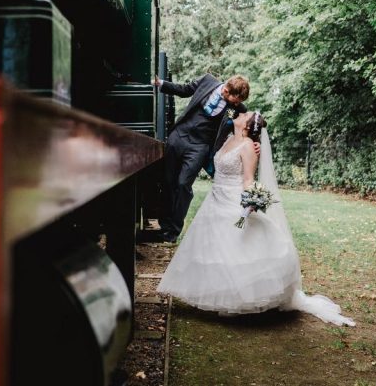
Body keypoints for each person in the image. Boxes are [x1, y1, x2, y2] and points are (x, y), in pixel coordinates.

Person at [157, 111, 355, 325]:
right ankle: (218, 293)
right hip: (216, 199)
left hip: (232, 200)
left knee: (234, 246)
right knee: (212, 249)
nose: (240, 113)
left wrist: (251, 200)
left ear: (246, 125)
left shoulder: (249, 147)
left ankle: (238, 298)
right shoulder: (228, 139)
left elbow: (248, 178)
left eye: (244, 114)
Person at [152, 74, 252, 243]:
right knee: (167, 181)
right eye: (235, 99)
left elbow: (250, 122)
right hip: (179, 136)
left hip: (200, 146)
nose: (237, 103)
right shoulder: (207, 81)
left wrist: (253, 143)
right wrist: (161, 83)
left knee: (183, 184)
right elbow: (184, 90)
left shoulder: (235, 108)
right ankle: (164, 226)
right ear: (227, 90)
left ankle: (173, 232)